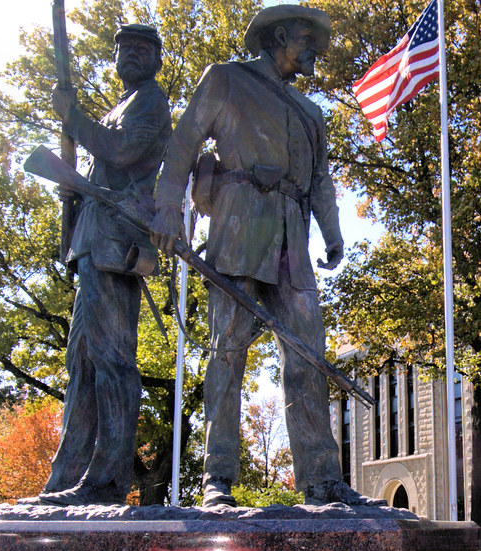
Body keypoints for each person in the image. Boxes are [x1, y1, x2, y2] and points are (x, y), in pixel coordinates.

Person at [150, 5, 381, 507]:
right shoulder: (226, 79)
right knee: (227, 352)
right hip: (238, 226)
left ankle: (322, 480)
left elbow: (320, 179)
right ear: (279, 36)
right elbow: (183, 143)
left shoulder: (312, 113)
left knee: (308, 355)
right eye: (307, 42)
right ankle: (217, 477)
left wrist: (333, 232)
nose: (316, 53)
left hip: (292, 241)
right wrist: (166, 209)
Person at [26, 24, 172, 506]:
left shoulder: (150, 101)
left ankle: (107, 479)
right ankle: (66, 478)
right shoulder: (118, 107)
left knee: (112, 362)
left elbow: (123, 151)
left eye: (142, 49)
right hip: (92, 242)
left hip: (115, 242)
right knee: (81, 365)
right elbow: (102, 163)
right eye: (123, 49)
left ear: (156, 59)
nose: (130, 55)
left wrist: (72, 118)